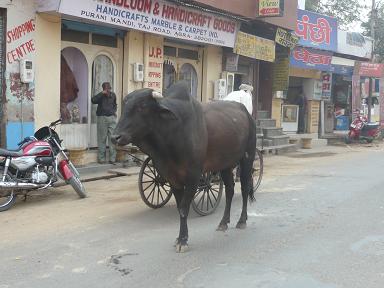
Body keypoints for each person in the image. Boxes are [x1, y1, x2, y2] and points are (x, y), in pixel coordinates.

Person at [91, 82, 117, 164]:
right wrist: (101, 93)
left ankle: (112, 158)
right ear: (103, 89)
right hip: (102, 118)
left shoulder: (113, 95)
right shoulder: (100, 96)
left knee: (112, 138)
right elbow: (93, 100)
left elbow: (115, 104)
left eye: (109, 88)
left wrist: (113, 112)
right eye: (106, 88)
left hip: (112, 118)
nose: (107, 90)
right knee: (102, 138)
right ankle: (101, 159)